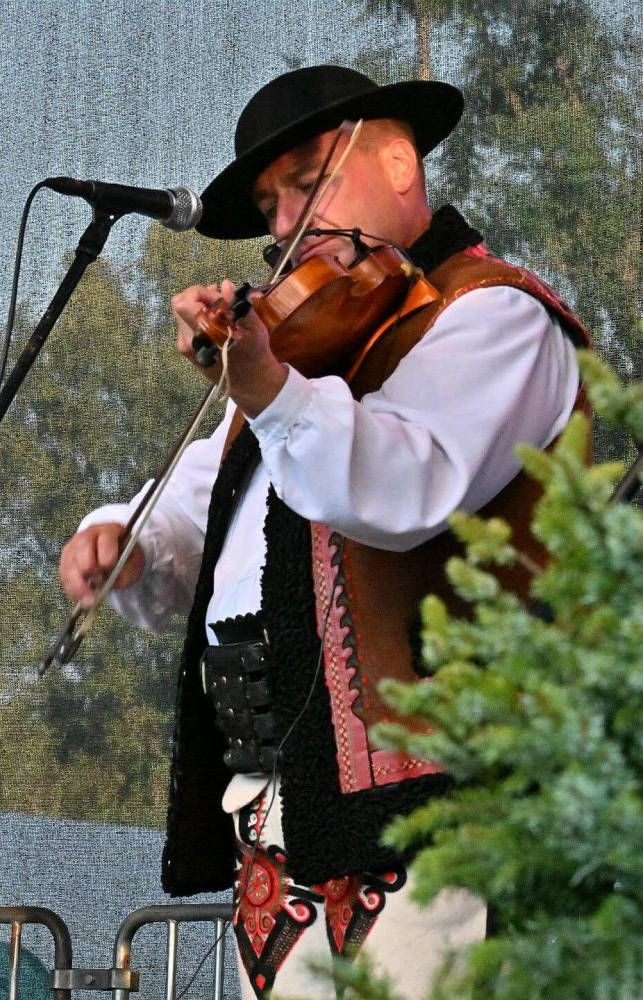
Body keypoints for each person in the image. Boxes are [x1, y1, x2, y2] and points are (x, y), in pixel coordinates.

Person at [59, 66, 587, 999]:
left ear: (398, 163)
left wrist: (271, 389)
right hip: (277, 800)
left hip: (440, 805)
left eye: (306, 183)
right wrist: (130, 541)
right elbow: (203, 502)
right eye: (271, 205)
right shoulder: (300, 360)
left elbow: (406, 482)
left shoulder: (493, 313)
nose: (285, 224)